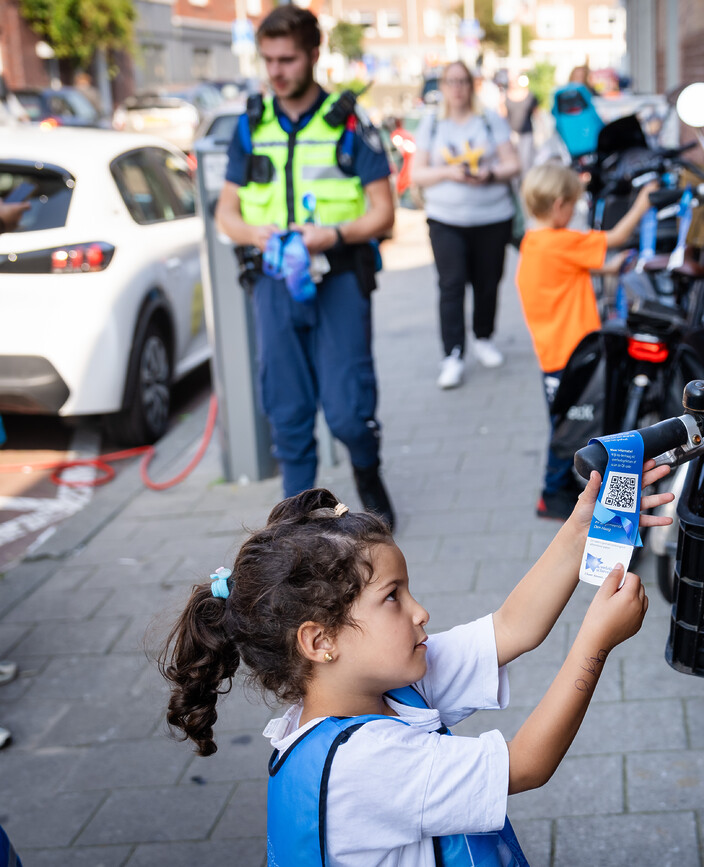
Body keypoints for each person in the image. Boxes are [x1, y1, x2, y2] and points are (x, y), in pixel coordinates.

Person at [160, 474, 670, 865]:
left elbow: (512, 628)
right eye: (392, 598)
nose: (419, 611)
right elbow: (527, 765)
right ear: (321, 641)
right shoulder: (367, 765)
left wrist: (580, 529)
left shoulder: (381, 688)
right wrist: (595, 643)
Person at [214, 6, 397, 529]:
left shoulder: (348, 123)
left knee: (346, 411)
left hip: (337, 278)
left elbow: (384, 211)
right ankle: (297, 529)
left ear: (314, 54)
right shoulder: (251, 125)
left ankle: (366, 467)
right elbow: (226, 212)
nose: (276, 70)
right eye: (268, 59)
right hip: (274, 284)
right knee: (288, 413)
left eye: (287, 58)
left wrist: (333, 235)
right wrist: (254, 233)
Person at [516, 163, 656, 519]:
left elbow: (568, 270)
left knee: (563, 423)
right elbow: (617, 237)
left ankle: (558, 487)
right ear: (560, 204)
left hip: (552, 355)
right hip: (573, 355)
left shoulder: (535, 243)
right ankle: (552, 494)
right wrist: (642, 204)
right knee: (572, 427)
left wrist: (609, 268)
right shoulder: (561, 240)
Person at [409, 61, 522, 390]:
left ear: (471, 85)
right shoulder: (431, 123)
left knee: (488, 283)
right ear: (442, 86)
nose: (457, 88)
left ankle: (484, 338)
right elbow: (416, 174)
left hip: (491, 216)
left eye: (463, 81)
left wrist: (489, 174)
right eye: (450, 81)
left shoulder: (489, 119)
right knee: (451, 284)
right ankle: (453, 354)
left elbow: (512, 164)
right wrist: (448, 173)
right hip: (446, 218)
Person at [502, 74, 538, 174]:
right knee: (513, 160)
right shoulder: (506, 96)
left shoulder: (530, 95)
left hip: (526, 133)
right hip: (511, 133)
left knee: (526, 161)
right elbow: (503, 115)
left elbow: (536, 114)